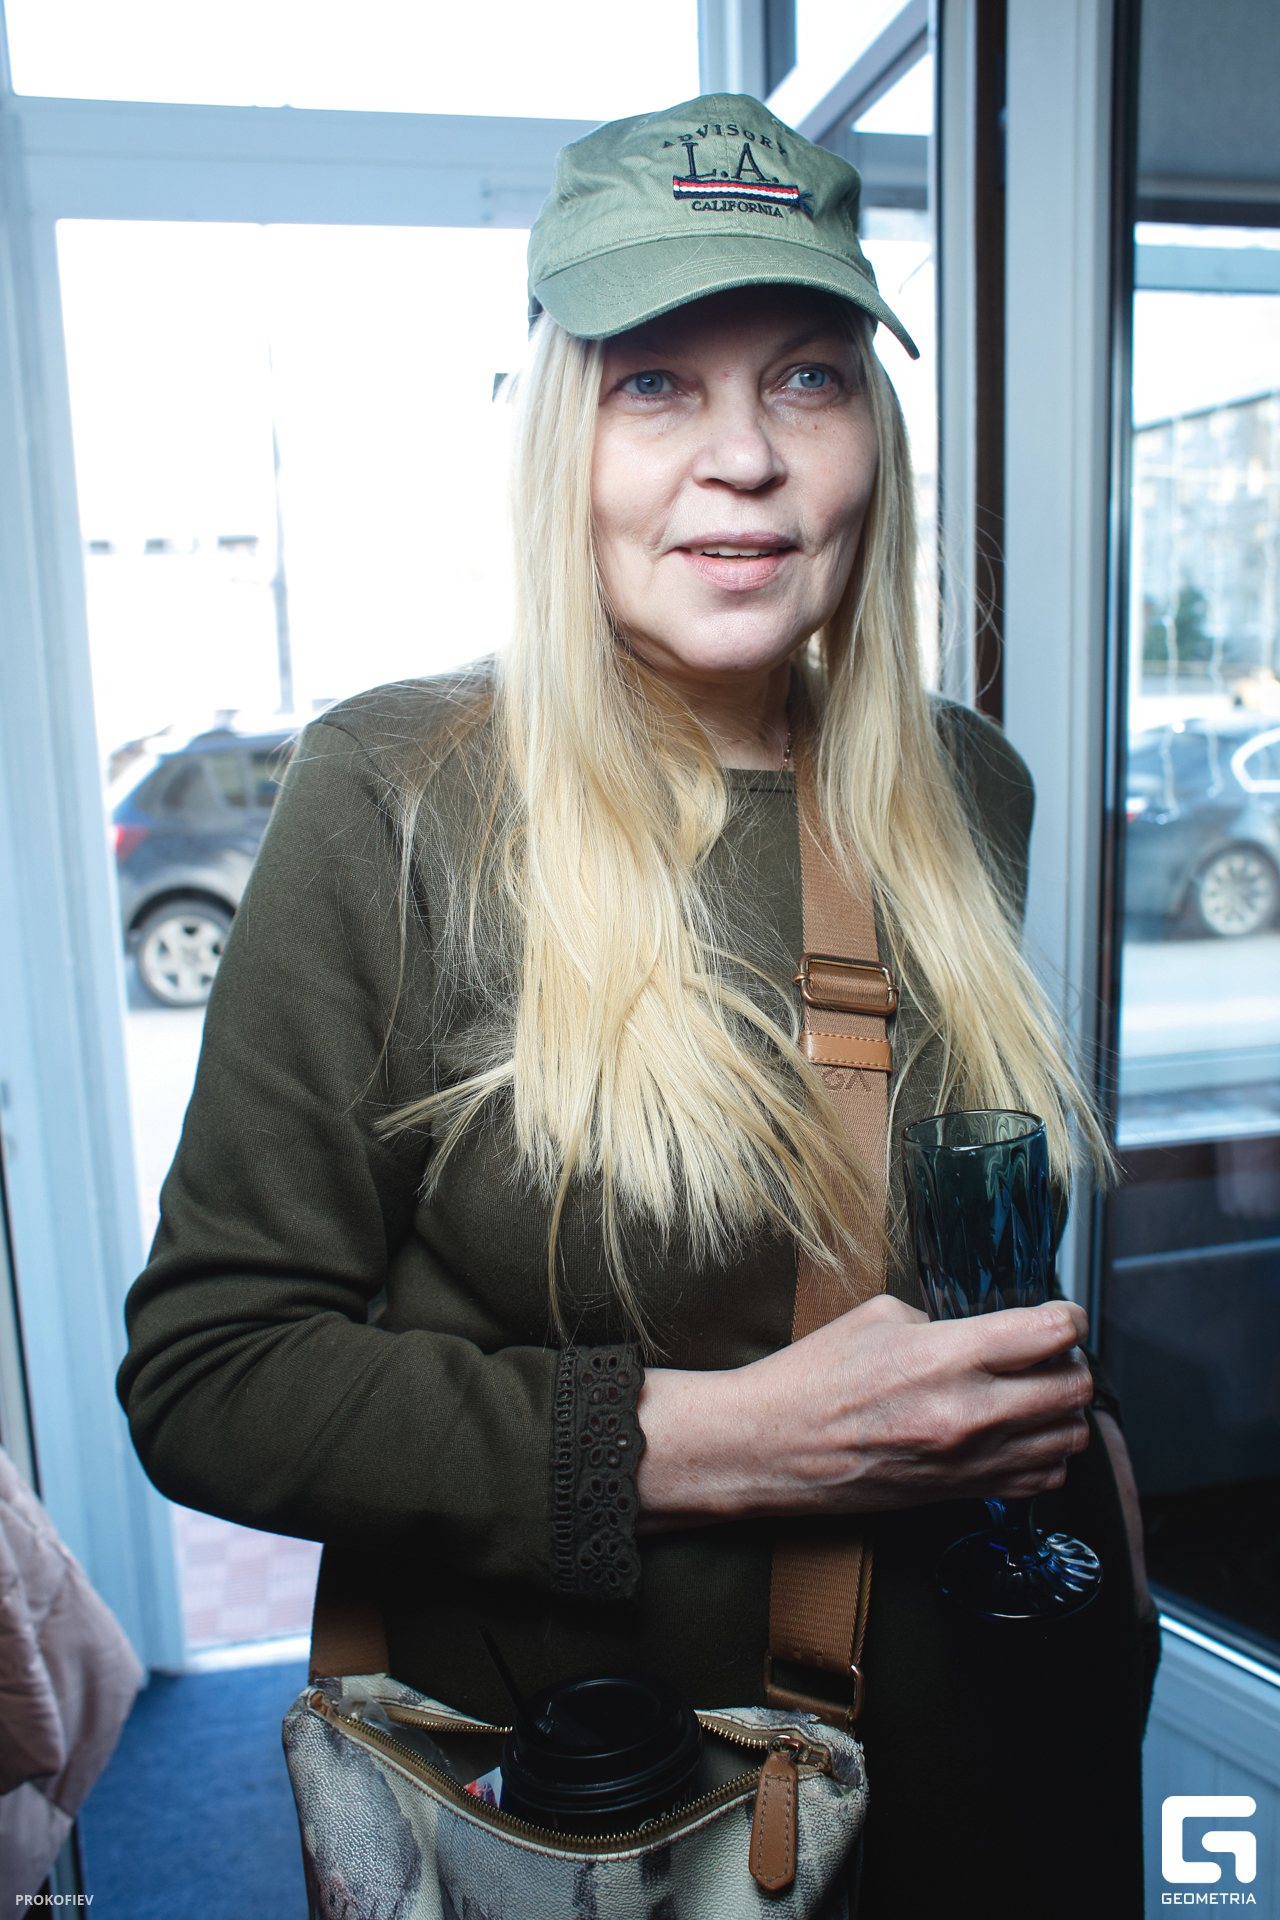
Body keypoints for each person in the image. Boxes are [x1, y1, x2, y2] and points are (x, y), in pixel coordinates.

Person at [118, 93, 1152, 1913]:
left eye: (808, 377)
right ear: (556, 444)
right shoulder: (397, 798)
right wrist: (731, 1444)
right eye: (655, 383)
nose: (743, 457)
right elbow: (215, 1377)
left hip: (994, 1763)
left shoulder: (964, 785)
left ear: (873, 435)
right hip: (620, 1823)